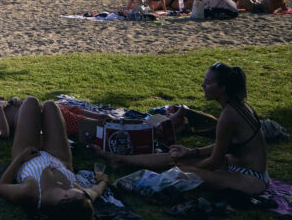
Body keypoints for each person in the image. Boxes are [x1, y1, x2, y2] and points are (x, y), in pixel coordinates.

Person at [96, 62, 268, 195]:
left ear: (222, 88)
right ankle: (120, 159)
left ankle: (128, 173)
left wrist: (189, 169)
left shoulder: (229, 115)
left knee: (181, 171)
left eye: (208, 82)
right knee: (176, 157)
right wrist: (190, 153)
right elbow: (223, 146)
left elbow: (214, 161)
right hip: (234, 165)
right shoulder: (236, 106)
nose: (202, 86)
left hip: (250, 179)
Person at [0, 97, 110, 218]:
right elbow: (96, 191)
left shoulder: (31, 192)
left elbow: (1, 186)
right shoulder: (79, 198)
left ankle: (15, 117)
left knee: (30, 102)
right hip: (60, 160)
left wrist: (20, 158)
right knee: (51, 106)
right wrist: (103, 180)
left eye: (82, 195)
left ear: (66, 197)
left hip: (27, 157)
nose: (84, 194)